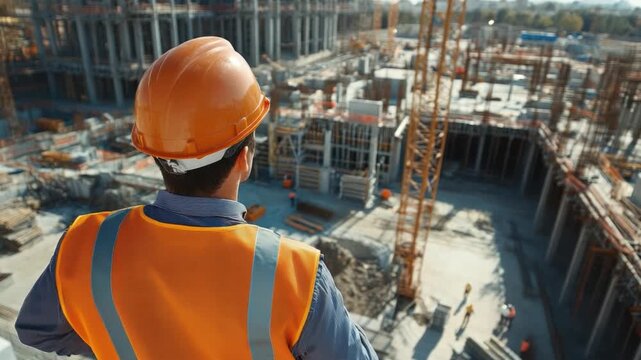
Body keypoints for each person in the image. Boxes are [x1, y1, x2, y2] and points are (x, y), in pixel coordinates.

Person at [15, 37, 377, 359]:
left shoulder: (85, 243)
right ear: (246, 158)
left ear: (153, 152)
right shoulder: (296, 275)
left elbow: (36, 330)